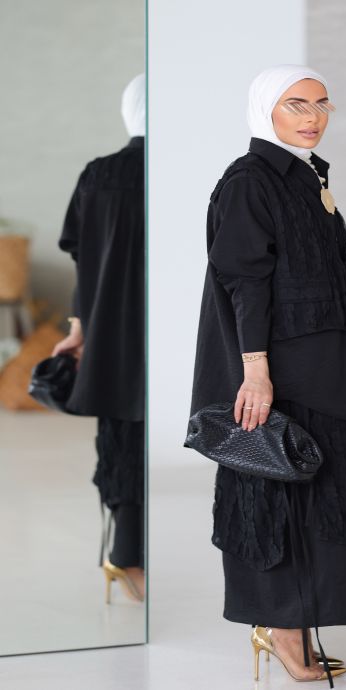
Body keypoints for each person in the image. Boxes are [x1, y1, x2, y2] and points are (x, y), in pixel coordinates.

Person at [188, 64, 346, 685]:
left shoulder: (305, 176)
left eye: (322, 104)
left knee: (322, 490)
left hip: (325, 362)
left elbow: (289, 255)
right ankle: (279, 626)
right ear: (266, 111)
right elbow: (244, 279)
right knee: (281, 493)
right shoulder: (249, 180)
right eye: (296, 104)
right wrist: (255, 373)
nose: (313, 117)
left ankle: (297, 621)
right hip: (286, 367)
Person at [53, 73, 146, 603]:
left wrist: (78, 328)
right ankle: (128, 557)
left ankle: (126, 554)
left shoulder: (98, 174)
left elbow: (83, 259)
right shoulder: (175, 172)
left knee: (122, 434)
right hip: (164, 327)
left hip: (111, 331)